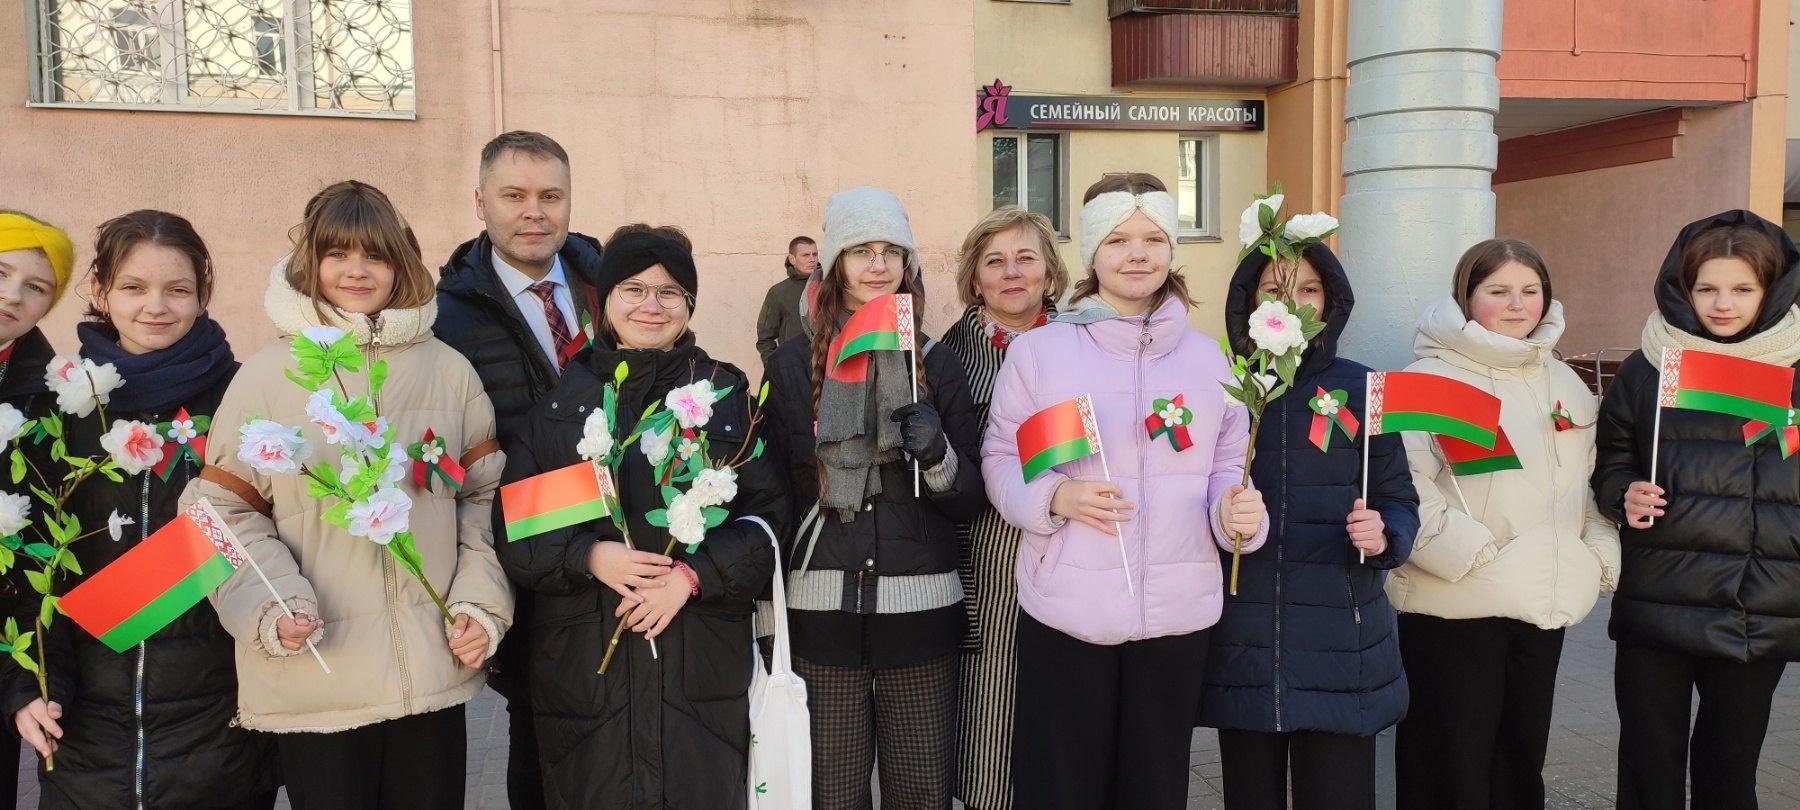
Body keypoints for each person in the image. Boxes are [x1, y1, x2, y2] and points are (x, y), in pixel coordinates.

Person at [182, 180, 513, 809]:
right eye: (337, 254)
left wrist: (480, 606)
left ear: (401, 262)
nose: (357, 271)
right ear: (311, 261)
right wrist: (272, 606)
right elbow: (220, 514)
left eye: (376, 255)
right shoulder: (265, 377)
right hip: (317, 678)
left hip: (429, 676)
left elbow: (483, 501)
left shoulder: (449, 372)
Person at [982, 172, 1268, 810]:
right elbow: (1001, 458)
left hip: (1176, 614)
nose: (1136, 254)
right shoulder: (1041, 353)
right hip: (1069, 609)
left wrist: (1234, 512)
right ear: (1092, 254)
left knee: (1154, 785)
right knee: (1063, 787)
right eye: (1117, 240)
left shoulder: (1211, 360)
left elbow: (1227, 465)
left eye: (1153, 239)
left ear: (1171, 250)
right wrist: (1055, 498)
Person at [496, 224, 788, 808]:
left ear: (689, 304)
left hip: (698, 667)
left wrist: (694, 576)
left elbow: (770, 519)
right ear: (605, 300)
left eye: (669, 291)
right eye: (633, 288)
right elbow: (517, 533)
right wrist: (589, 555)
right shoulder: (561, 406)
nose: (651, 305)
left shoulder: (724, 399)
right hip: (589, 674)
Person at [7, 210, 278, 809]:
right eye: (133, 287)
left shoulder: (246, 398)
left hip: (222, 730)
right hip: (83, 737)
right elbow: (27, 562)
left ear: (202, 294)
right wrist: (26, 682)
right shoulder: (56, 407)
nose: (155, 306)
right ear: (101, 290)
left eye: (177, 289)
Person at [761, 187, 986, 808]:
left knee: (920, 793)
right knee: (832, 795)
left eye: (892, 251)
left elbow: (970, 500)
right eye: (862, 250)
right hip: (820, 622)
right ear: (835, 262)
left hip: (920, 618)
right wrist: (767, 616)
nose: (879, 264)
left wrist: (937, 456)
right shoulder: (788, 366)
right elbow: (773, 495)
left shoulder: (936, 361)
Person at [1388, 239, 1618, 810]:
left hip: (1541, 602)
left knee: (1519, 757)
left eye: (1529, 291)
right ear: (1467, 297)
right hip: (1455, 604)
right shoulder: (1427, 378)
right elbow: (1403, 487)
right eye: (1498, 291)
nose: (1517, 305)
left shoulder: (1565, 382)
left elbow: (1587, 482)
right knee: (1449, 763)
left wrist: (1595, 553)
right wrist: (1475, 555)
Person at [1199, 242, 1419, 810]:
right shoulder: (1224, 387)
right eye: (1274, 290)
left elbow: (1398, 496)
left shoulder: (1363, 389)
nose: (1291, 303)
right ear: (1249, 302)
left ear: (1330, 301)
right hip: (1244, 638)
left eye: (1308, 290)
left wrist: (1385, 534)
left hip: (1341, 639)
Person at [1593, 211, 1800, 810]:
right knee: (1648, 764)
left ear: (1772, 290)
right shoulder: (1648, 366)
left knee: (1729, 769)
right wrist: (1623, 493)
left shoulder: (1794, 369)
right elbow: (1612, 461)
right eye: (1706, 288)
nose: (1722, 305)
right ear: (1682, 288)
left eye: (1742, 289)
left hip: (1756, 604)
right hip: (1659, 597)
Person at [435, 130, 604, 809]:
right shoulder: (446, 316)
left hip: (619, 550)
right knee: (539, 739)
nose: (534, 212)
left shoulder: (612, 285)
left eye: (550, 196)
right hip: (526, 563)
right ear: (481, 203)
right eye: (514, 195)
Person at [939, 206, 1067, 810]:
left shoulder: (1084, 343)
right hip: (986, 551)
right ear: (975, 278)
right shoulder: (945, 358)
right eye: (995, 261)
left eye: (1025, 258)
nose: (1011, 273)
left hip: (1073, 543)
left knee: (1066, 693)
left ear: (1050, 273)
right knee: (989, 692)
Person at [0, 211, 77, 810]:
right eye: (0, 274)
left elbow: (40, 546)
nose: (13, 296)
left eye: (35, 287)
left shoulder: (49, 400)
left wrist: (19, 681)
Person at [756, 236, 819, 364]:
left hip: (829, 367)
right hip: (795, 365)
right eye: (805, 255)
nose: (812, 259)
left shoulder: (830, 286)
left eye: (815, 254)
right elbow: (765, 339)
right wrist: (775, 367)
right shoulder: (778, 292)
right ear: (792, 259)